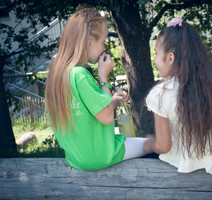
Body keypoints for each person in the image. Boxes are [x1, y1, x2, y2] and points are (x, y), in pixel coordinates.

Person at [45, 8, 147, 171]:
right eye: (103, 42)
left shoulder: (58, 75)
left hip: (77, 158)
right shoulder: (80, 75)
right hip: (100, 155)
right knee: (153, 144)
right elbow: (107, 118)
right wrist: (103, 77)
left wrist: (111, 102)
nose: (104, 48)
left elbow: (86, 112)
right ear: (90, 40)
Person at [143, 18, 212, 175]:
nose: (154, 59)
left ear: (170, 58)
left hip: (186, 163)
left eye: (156, 54)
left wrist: (151, 144)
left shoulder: (160, 94)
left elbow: (164, 146)